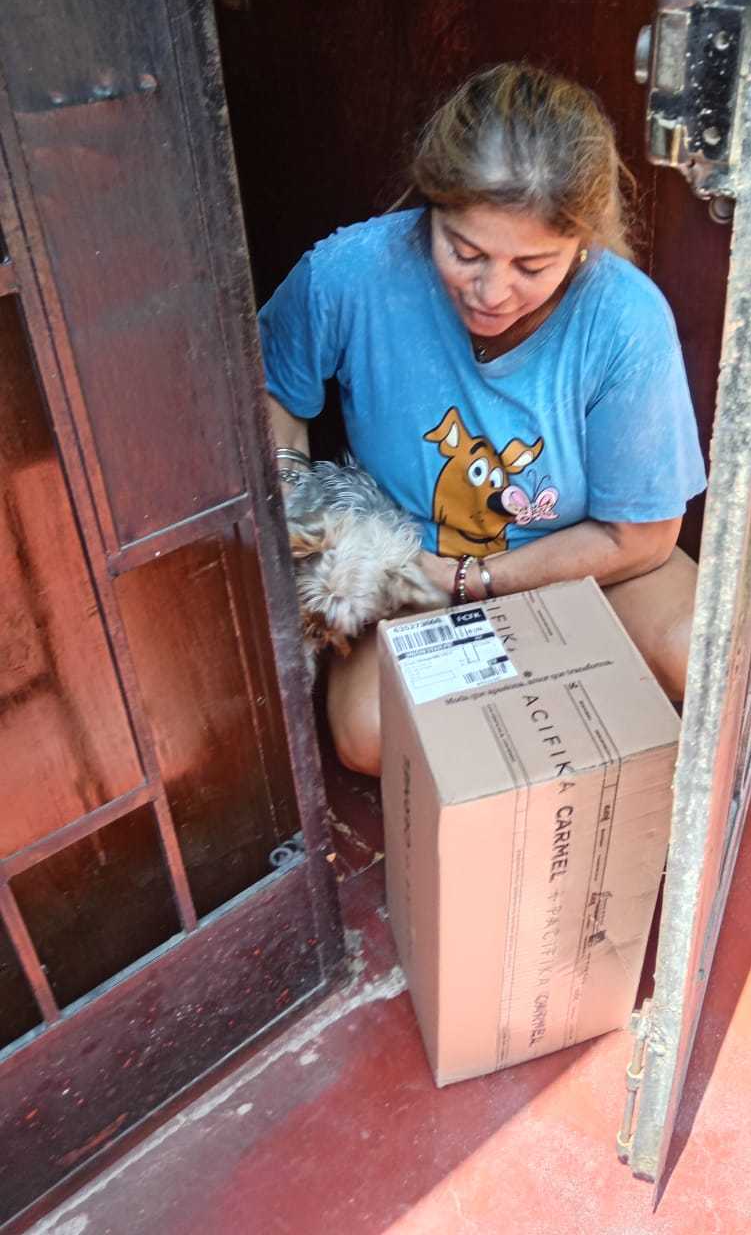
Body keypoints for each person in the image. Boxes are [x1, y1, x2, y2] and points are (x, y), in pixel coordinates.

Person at [259, 63, 706, 776]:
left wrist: (472, 581)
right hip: (411, 568)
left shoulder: (626, 319)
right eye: (464, 252)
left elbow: (641, 536)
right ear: (430, 206)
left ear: (584, 243)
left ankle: (529, 740)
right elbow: (274, 392)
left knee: (698, 658)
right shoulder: (348, 275)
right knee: (369, 734)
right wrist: (298, 501)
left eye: (532, 266)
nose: (492, 291)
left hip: (580, 562)